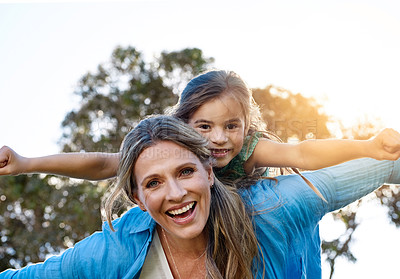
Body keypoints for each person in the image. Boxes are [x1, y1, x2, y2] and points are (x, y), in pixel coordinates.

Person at [2, 115, 400, 278]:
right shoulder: (115, 251)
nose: (176, 194)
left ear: (210, 172)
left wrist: (376, 146)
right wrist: (24, 162)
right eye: (154, 183)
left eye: (186, 171)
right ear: (138, 198)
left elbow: (382, 162)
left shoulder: (273, 209)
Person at [1, 70, 400, 195]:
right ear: (184, 123)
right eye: (204, 126)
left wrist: (366, 146)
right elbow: (105, 163)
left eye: (232, 126)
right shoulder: (171, 143)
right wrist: (26, 163)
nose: (220, 139)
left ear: (247, 125)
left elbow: (302, 154)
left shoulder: (251, 150)